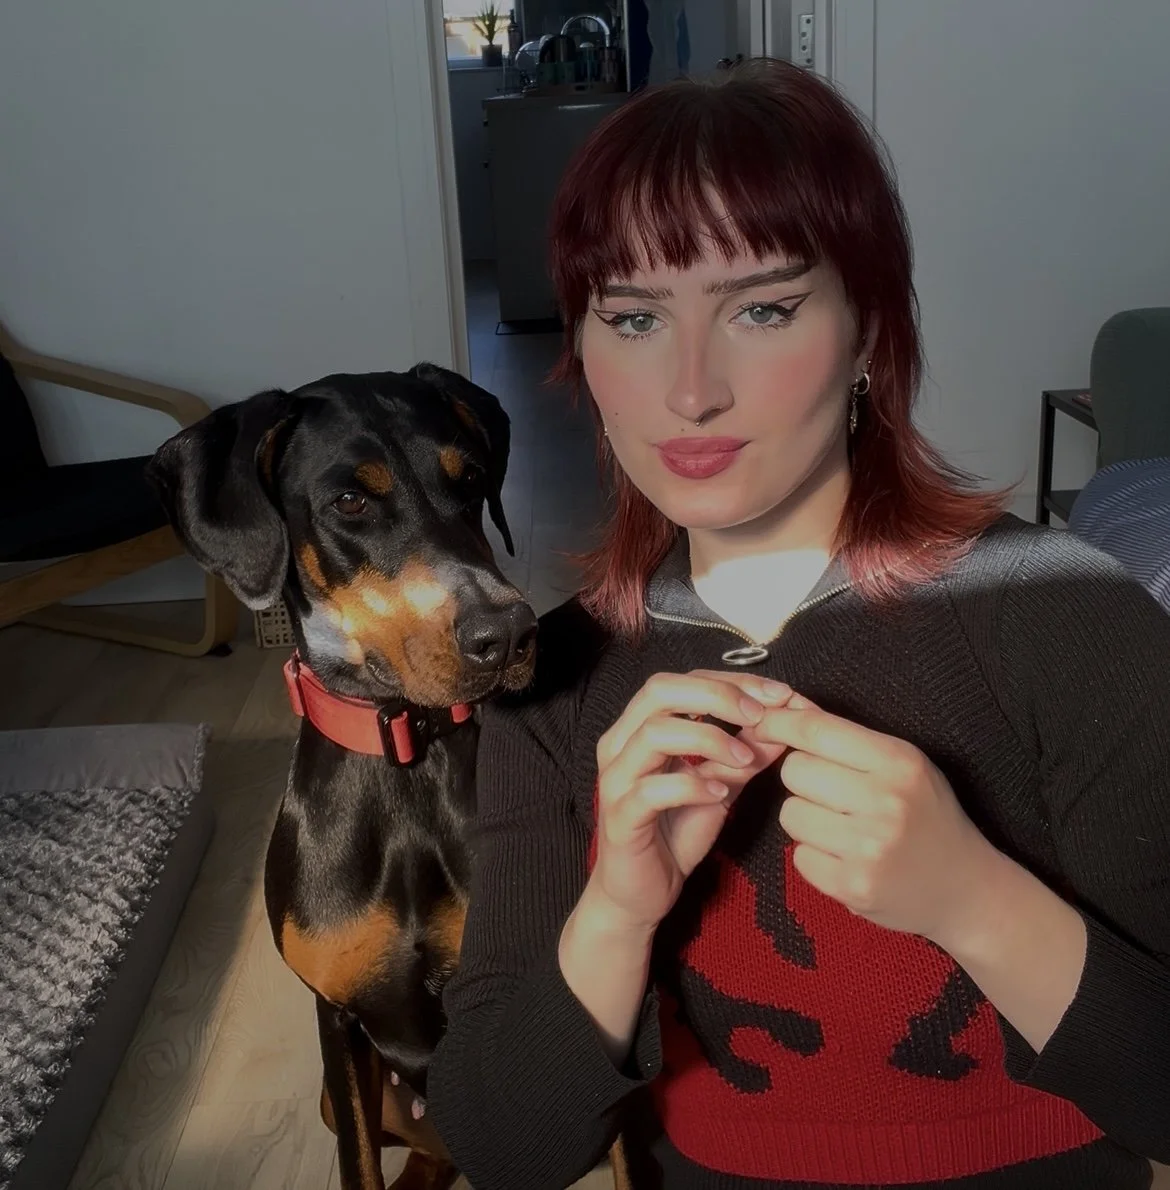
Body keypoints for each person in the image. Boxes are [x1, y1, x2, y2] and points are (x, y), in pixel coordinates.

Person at [428, 59, 1170, 1189]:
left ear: (868, 328)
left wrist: (975, 898)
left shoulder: (1068, 616)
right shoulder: (557, 675)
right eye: (630, 317)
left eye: (761, 308)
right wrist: (618, 911)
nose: (688, 390)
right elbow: (500, 1144)